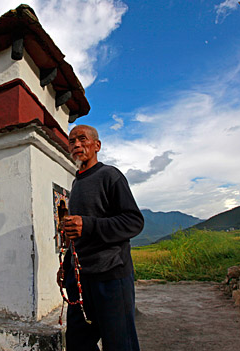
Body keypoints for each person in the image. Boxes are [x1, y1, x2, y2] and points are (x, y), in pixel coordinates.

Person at [58, 125, 144, 351]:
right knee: (78, 343)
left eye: (82, 139)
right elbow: (79, 236)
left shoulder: (110, 175)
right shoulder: (76, 184)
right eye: (72, 141)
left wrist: (87, 224)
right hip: (80, 279)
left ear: (97, 146)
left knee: (119, 344)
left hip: (111, 275)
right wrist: (66, 266)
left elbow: (134, 221)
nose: (76, 144)